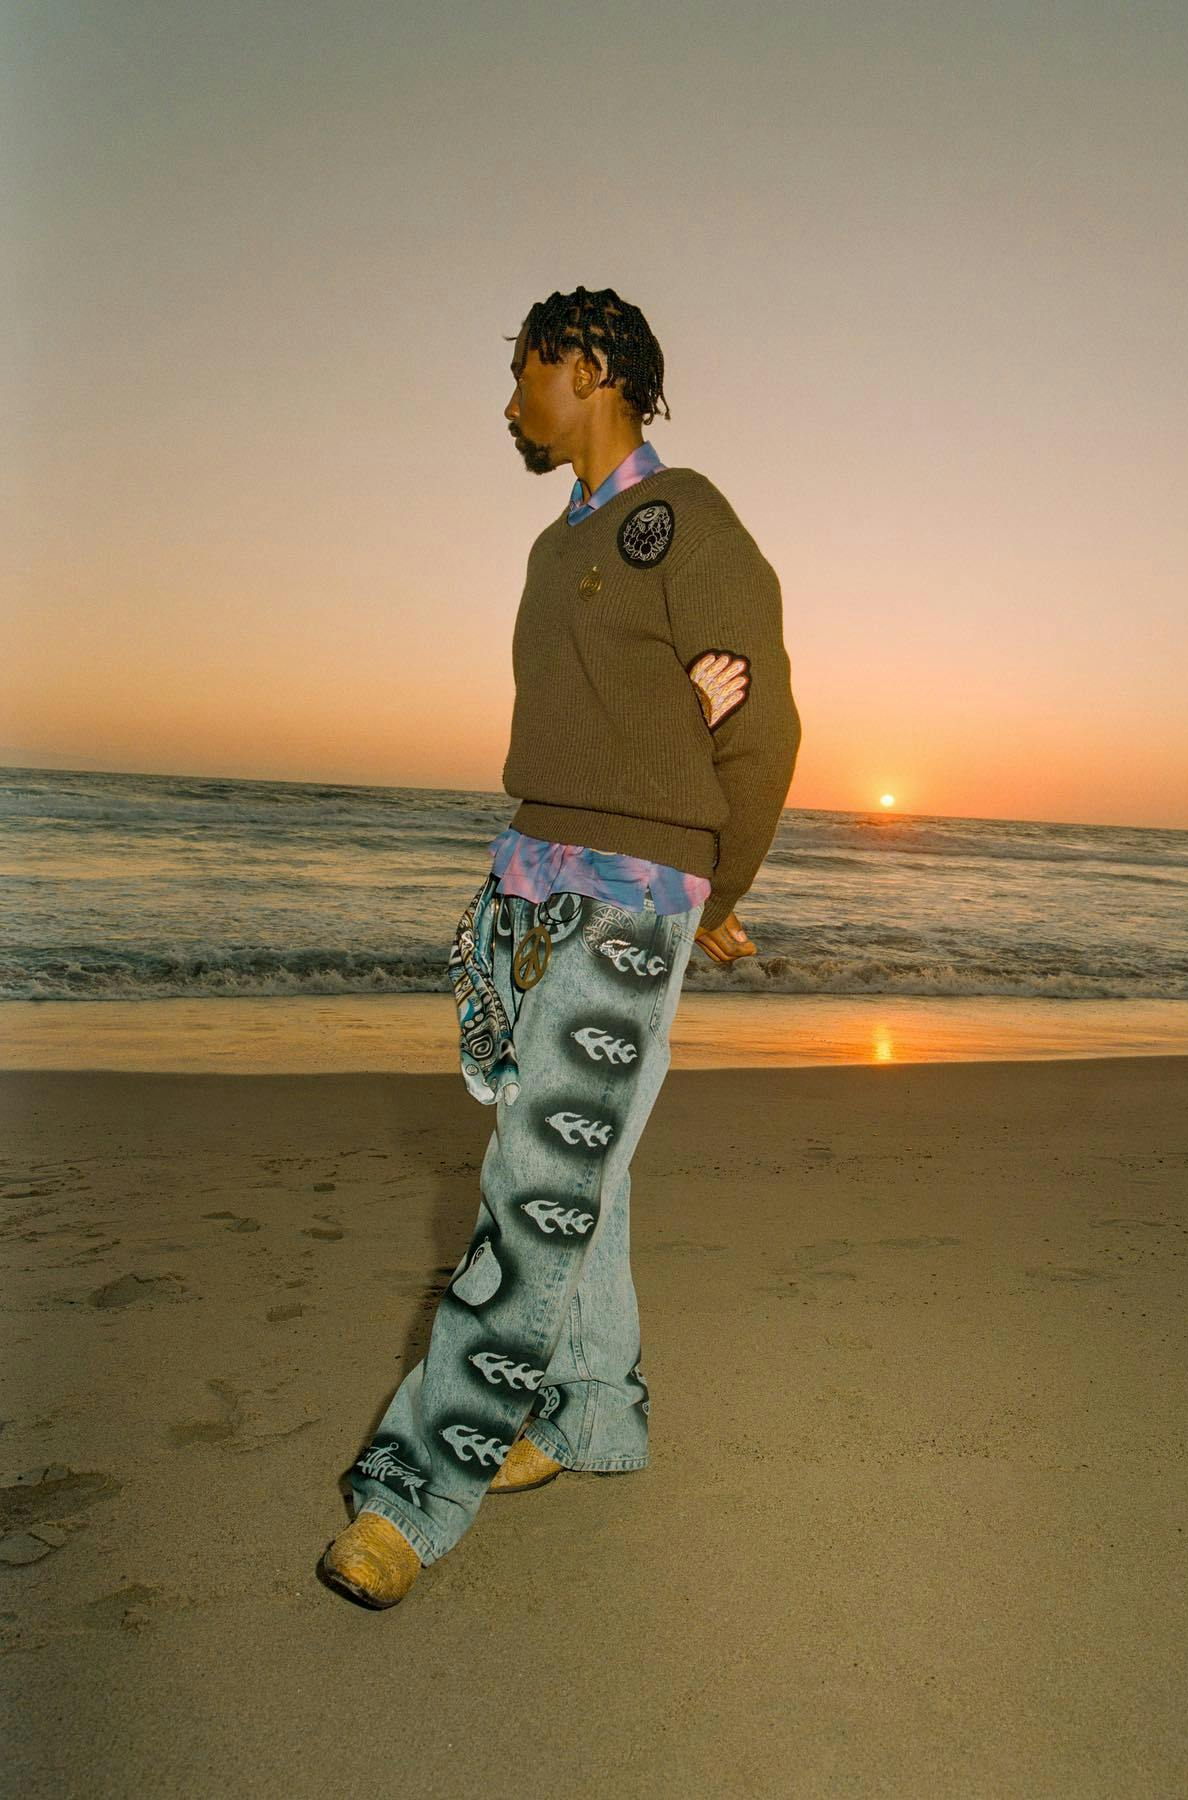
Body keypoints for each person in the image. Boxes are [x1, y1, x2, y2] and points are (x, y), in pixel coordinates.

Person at [321, 285, 802, 1607]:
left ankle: (413, 1492)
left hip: (632, 902)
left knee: (530, 1193)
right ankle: (590, 1413)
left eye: (527, 373)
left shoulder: (679, 519)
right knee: (574, 1166)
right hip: (530, 891)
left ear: (587, 369)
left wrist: (711, 890)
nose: (513, 401)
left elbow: (757, 729)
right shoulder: (557, 546)